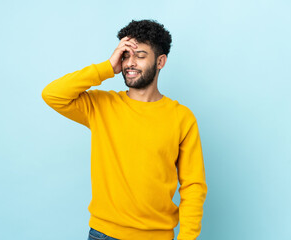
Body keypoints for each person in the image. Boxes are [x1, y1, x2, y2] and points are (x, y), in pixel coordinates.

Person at [41, 19, 207, 240]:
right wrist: (108, 67)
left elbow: (193, 185)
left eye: (140, 56)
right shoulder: (101, 106)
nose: (130, 63)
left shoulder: (181, 117)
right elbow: (52, 94)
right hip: (104, 234)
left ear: (160, 61)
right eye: (126, 55)